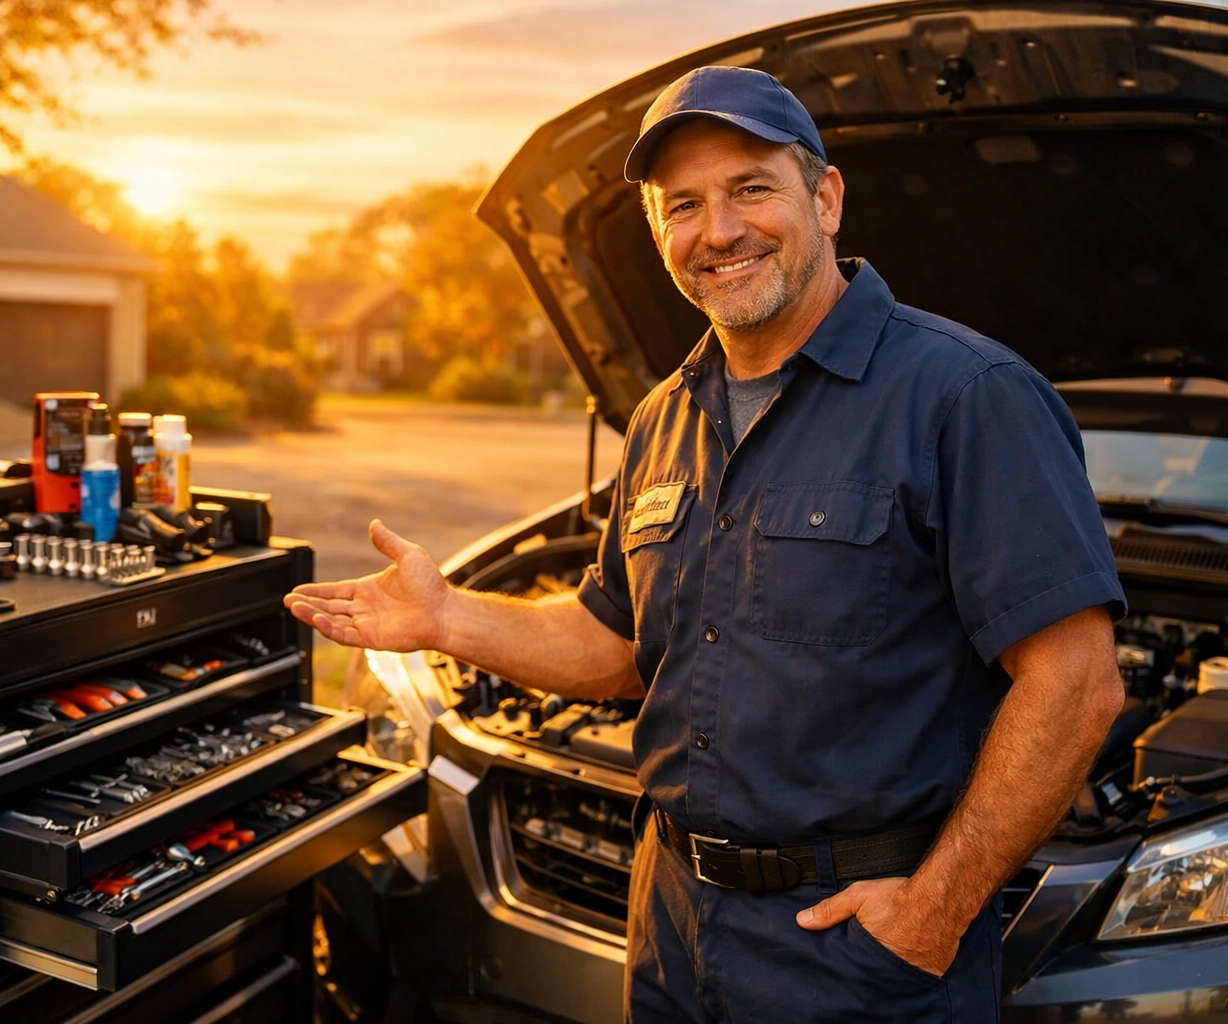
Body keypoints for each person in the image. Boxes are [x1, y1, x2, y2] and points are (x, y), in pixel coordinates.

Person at [286, 65, 1125, 1022]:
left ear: (827, 198)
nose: (718, 230)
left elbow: (1075, 682)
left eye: (751, 188)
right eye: (682, 204)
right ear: (658, 235)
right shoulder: (663, 418)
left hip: (858, 948)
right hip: (672, 923)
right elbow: (615, 647)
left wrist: (933, 913)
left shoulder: (964, 396)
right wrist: (447, 617)